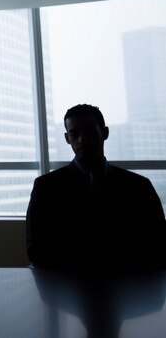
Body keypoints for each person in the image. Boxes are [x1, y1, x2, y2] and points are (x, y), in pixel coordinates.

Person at [26, 104, 166, 270]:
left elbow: (158, 244)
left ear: (105, 133)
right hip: (71, 286)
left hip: (124, 284)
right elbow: (36, 249)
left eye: (89, 132)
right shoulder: (45, 187)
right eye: (74, 134)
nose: (82, 140)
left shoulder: (139, 186)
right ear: (66, 138)